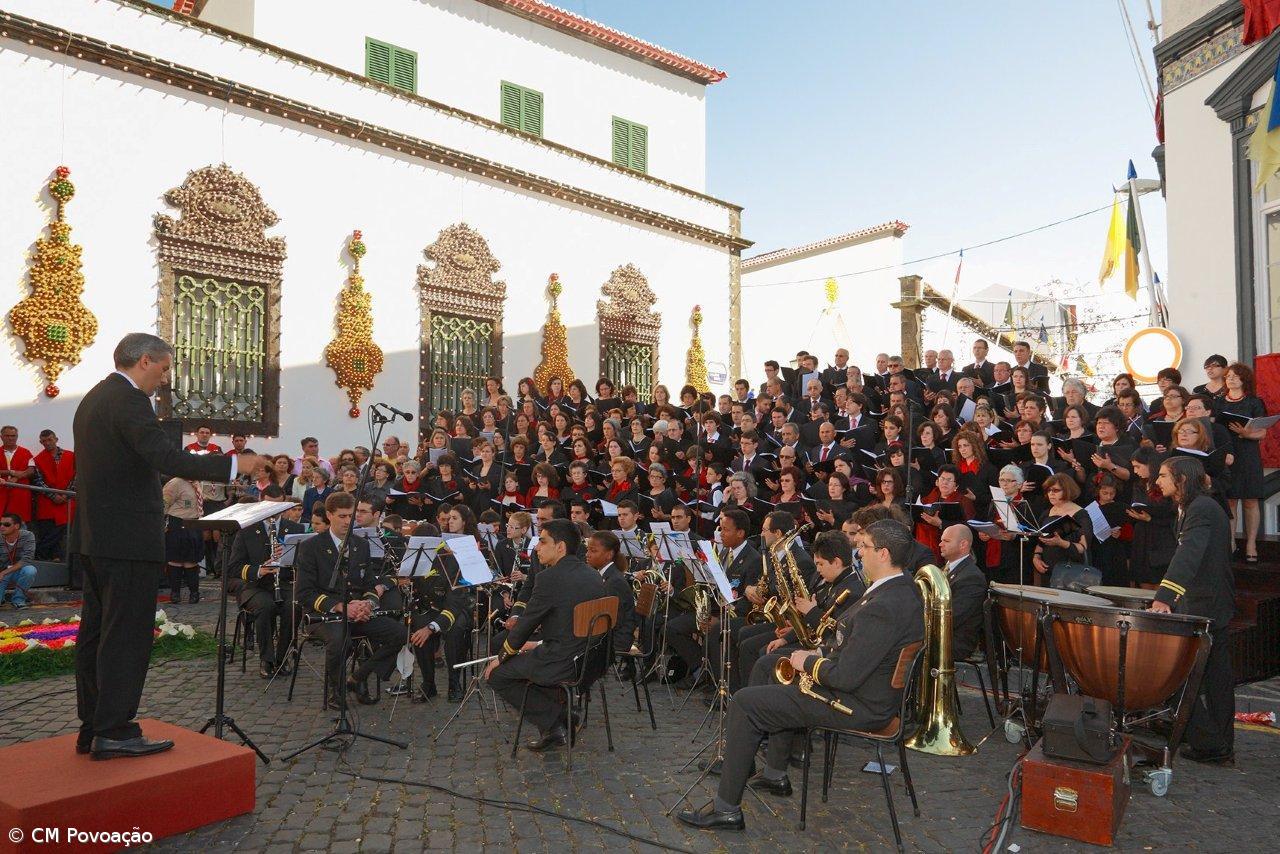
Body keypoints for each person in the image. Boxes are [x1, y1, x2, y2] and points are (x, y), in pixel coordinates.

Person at [71, 333, 257, 760]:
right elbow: (167, 458)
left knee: (96, 632)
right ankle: (115, 730)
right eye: (164, 367)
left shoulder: (95, 398)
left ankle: (93, 725)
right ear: (145, 361)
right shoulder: (129, 400)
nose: (165, 377)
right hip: (128, 538)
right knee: (126, 636)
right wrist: (234, 464)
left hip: (97, 536)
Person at [677, 519, 924, 831]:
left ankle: (726, 809)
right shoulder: (898, 591)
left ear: (884, 553)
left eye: (864, 546)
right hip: (863, 694)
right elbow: (856, 649)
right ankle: (773, 774)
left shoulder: (884, 605)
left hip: (856, 704)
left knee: (745, 703)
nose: (859, 553)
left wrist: (807, 662)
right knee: (771, 671)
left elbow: (845, 676)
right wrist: (817, 653)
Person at [484, 519, 606, 751]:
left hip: (563, 660)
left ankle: (561, 717)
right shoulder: (593, 574)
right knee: (524, 662)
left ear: (560, 547)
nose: (537, 547)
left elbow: (525, 625)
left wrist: (501, 657)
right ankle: (555, 727)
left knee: (497, 675)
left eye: (542, 541)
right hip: (591, 658)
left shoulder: (549, 578)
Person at [1151, 457, 1236, 765]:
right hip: (1211, 602)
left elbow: (1189, 554)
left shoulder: (1200, 508)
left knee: (1179, 675)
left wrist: (1165, 597)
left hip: (1204, 605)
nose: (1157, 481)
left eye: (1163, 476)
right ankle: (1216, 743)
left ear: (1182, 479)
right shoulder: (1197, 507)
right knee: (1214, 679)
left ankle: (1208, 742)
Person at [293, 491, 402, 709]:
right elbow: (304, 593)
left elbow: (369, 584)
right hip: (324, 614)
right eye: (342, 516)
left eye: (350, 516)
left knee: (399, 634)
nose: (347, 521)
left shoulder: (360, 545)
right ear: (329, 515)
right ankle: (336, 690)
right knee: (339, 639)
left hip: (357, 610)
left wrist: (367, 604)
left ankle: (359, 676)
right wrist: (339, 606)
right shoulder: (310, 547)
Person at [224, 485, 305, 678]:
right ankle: (266, 658)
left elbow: (304, 565)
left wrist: (287, 560)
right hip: (255, 586)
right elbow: (233, 567)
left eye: (277, 506)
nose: (272, 511)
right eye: (269, 505)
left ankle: (282, 657)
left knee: (294, 606)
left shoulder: (295, 529)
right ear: (261, 502)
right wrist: (260, 569)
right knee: (265, 606)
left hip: (284, 583)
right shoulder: (247, 530)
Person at [584, 530, 637, 665]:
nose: (587, 554)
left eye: (593, 551)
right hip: (608, 634)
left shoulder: (614, 581)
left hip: (616, 639)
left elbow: (614, 620)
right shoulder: (606, 575)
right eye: (588, 550)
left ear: (609, 555)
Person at [936, 524, 988, 661]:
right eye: (941, 540)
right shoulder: (946, 569)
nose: (940, 544)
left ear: (963, 544)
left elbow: (952, 617)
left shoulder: (972, 577)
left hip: (954, 642)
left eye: (946, 541)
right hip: (940, 634)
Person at [32, 429, 75, 560]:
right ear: (40, 442)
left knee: (63, 528)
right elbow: (38, 481)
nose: (47, 443)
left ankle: (41, 554)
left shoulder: (71, 455)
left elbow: (77, 476)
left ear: (56, 439)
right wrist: (53, 496)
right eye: (44, 441)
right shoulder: (37, 459)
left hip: (67, 502)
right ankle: (45, 557)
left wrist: (66, 494)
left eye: (50, 439)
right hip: (47, 503)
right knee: (47, 532)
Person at [0, 514, 37, 609]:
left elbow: (27, 559)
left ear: (16, 526)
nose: (2, 527)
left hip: (16, 570)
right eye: (0, 524)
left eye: (6, 524)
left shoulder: (28, 536)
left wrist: (4, 572)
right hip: (1, 572)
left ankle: (18, 600)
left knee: (30, 570)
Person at [0, 425, 35, 525]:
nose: (10, 438)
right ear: (1, 437)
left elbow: (31, 471)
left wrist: (16, 478)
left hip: (20, 495)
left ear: (17, 437)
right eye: (7, 436)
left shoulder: (26, 452)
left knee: (20, 524)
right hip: (1, 494)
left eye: (13, 436)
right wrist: (10, 472)